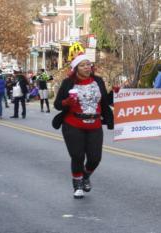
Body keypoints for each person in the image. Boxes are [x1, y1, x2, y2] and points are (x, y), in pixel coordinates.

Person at [53, 54, 114, 199]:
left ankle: (85, 175)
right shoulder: (68, 83)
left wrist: (115, 93)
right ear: (76, 68)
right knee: (77, 156)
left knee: (95, 158)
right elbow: (57, 104)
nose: (87, 67)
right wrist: (67, 102)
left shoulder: (98, 81)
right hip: (73, 124)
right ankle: (77, 184)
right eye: (83, 65)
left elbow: (105, 101)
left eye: (88, 64)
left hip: (94, 124)